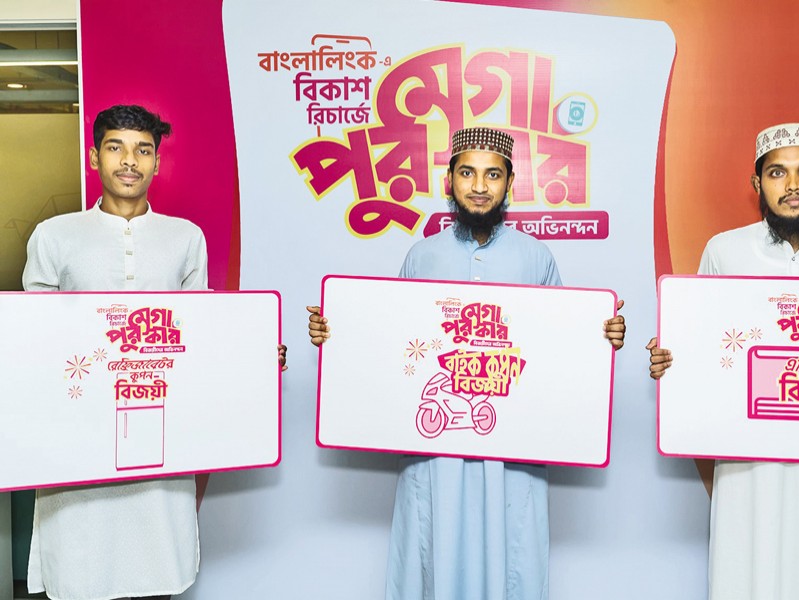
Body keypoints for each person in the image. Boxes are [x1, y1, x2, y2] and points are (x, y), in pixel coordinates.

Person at [309, 126, 626, 600]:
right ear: (449, 181)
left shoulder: (536, 257)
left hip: (514, 451)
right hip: (435, 454)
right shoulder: (422, 256)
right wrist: (337, 334)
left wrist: (601, 337)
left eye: (493, 175)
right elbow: (394, 344)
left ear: (510, 182)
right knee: (432, 550)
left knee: (512, 555)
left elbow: (561, 348)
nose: (480, 186)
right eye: (468, 173)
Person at [23, 104, 286, 600]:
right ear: (94, 157)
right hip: (78, 430)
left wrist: (251, 354)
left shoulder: (184, 238)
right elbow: (32, 336)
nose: (130, 161)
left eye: (143, 150)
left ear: (157, 162)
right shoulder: (55, 236)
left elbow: (200, 333)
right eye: (115, 147)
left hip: (160, 431)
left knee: (157, 569)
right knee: (80, 570)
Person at [647, 122, 799, 600]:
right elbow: (698, 346)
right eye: (776, 173)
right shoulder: (724, 251)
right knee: (747, 566)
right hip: (747, 459)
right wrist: (671, 360)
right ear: (757, 183)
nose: (793, 185)